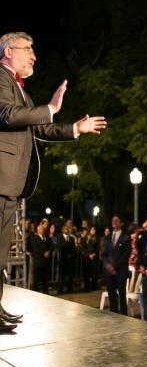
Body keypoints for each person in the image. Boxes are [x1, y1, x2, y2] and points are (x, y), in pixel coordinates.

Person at [0, 31, 106, 333]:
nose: (34, 56)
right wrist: (50, 108)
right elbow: (7, 115)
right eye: (28, 49)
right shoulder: (0, 78)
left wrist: (76, 127)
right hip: (1, 178)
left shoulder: (22, 91)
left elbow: (41, 128)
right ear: (9, 51)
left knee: (0, 251)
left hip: (11, 183)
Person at [102, 216, 131, 315]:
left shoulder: (126, 237)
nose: (114, 222)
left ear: (121, 223)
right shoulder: (107, 237)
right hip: (109, 273)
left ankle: (123, 316)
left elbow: (126, 254)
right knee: (112, 296)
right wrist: (107, 265)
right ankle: (113, 316)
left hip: (120, 272)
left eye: (116, 220)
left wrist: (115, 267)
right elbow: (103, 254)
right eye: (112, 220)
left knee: (122, 296)